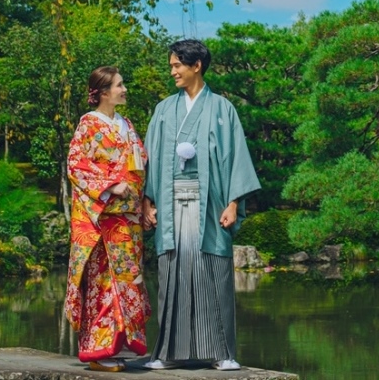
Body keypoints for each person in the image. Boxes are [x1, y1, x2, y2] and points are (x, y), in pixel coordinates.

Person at [143, 39, 261, 371]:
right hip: (170, 203)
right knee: (173, 273)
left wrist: (234, 203)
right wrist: (147, 201)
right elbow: (149, 157)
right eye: (171, 66)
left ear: (196, 66)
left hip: (210, 204)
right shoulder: (164, 109)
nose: (173, 71)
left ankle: (222, 352)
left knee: (212, 272)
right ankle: (168, 353)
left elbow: (236, 157)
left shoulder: (223, 109)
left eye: (177, 65)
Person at [65, 66, 151, 372]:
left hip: (127, 216)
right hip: (101, 219)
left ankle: (114, 345)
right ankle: (95, 351)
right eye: (119, 85)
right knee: (102, 282)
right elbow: (76, 164)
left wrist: (144, 202)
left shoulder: (125, 124)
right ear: (103, 92)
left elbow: (141, 164)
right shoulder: (89, 124)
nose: (124, 89)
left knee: (128, 281)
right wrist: (111, 184)